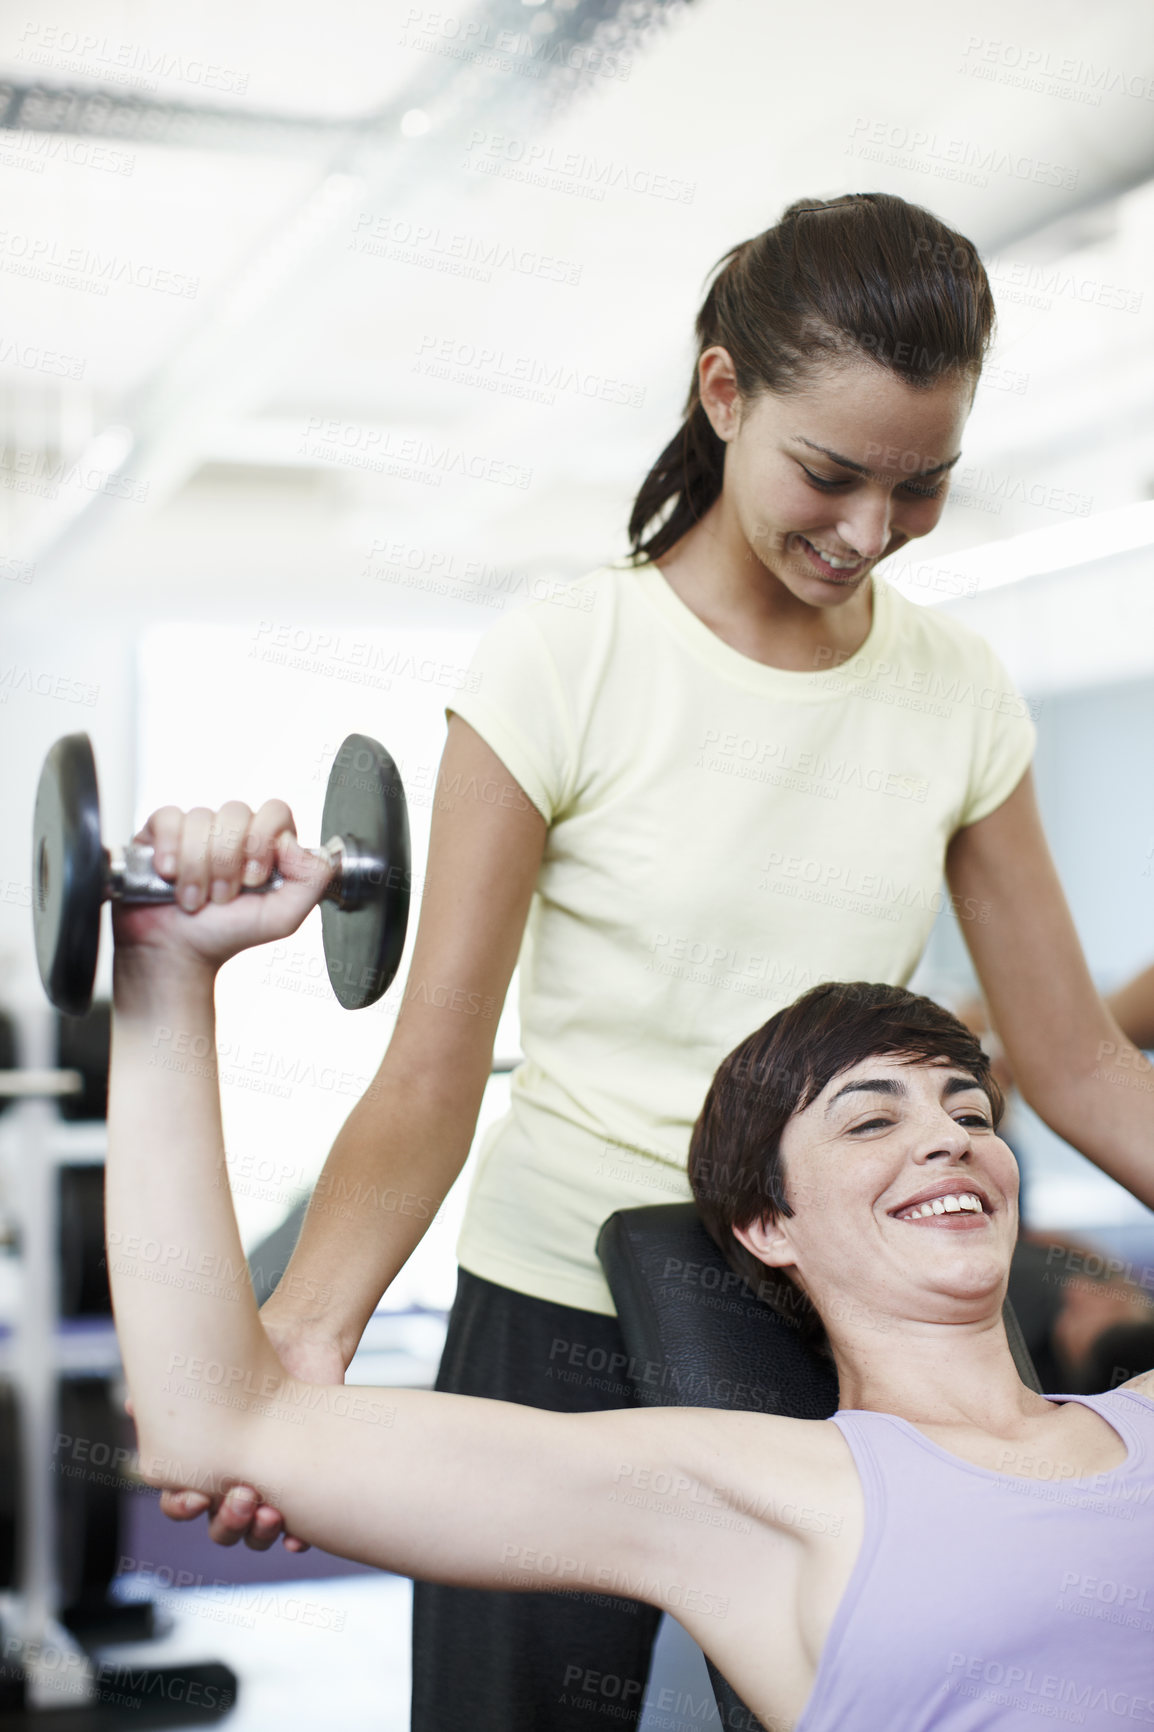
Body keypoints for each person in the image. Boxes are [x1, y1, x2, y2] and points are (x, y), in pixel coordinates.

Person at [148, 193, 1154, 1729]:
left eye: (920, 487)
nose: (868, 534)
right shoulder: (567, 658)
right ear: (722, 394)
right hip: (557, 1280)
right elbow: (428, 1072)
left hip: (822, 1292)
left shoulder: (955, 690)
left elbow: (1075, 1057)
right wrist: (300, 1354)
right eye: (827, 475)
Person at [106, 875, 1154, 1732]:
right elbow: (216, 1423)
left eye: (967, 1111)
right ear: (766, 1225)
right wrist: (166, 969)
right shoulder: (743, 1494)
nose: (948, 1137)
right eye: (868, 1123)